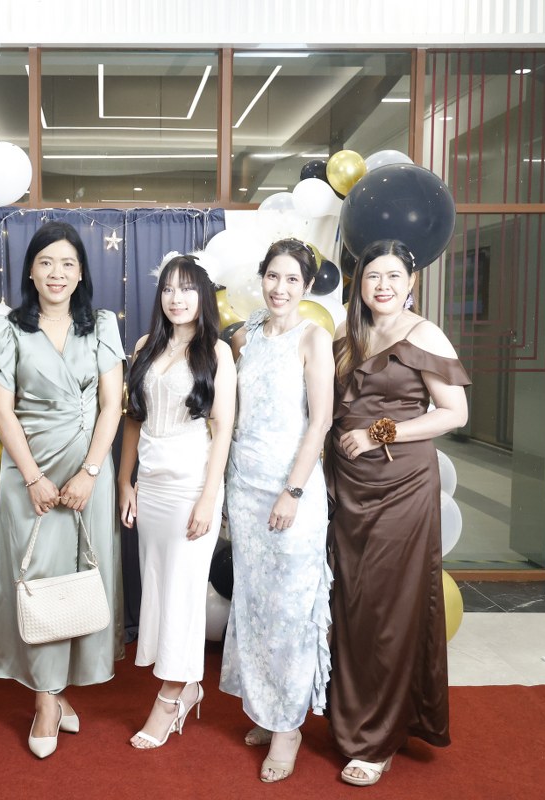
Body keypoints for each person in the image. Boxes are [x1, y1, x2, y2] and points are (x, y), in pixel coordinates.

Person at [326, 239, 469, 788]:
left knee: (389, 607)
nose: (382, 285)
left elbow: (454, 413)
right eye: (372, 276)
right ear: (359, 283)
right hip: (348, 486)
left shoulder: (424, 334)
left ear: (411, 281)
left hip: (402, 485)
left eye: (392, 276)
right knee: (353, 604)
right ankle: (354, 715)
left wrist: (380, 432)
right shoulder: (348, 336)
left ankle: (377, 739)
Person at [0, 221, 125, 759]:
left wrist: (91, 471)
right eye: (46, 263)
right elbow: (2, 409)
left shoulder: (101, 324)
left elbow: (112, 404)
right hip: (31, 471)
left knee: (81, 577)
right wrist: (33, 477)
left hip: (90, 471)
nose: (56, 273)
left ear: (81, 272)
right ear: (30, 271)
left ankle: (60, 692)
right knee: (36, 579)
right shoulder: (7, 329)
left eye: (67, 263)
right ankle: (44, 699)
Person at [218, 238, 334, 783]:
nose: (280, 288)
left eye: (292, 280)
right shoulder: (246, 336)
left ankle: (289, 727)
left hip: (293, 491)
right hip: (245, 488)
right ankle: (266, 710)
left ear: (306, 287)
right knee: (256, 606)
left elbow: (320, 421)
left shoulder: (313, 338)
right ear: (261, 278)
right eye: (273, 276)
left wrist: (293, 491)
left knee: (290, 610)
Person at [118, 254, 235, 749]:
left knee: (184, 591)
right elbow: (134, 419)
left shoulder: (217, 352)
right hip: (152, 485)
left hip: (192, 484)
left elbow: (222, 428)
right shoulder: (145, 346)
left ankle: (170, 697)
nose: (176, 298)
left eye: (187, 288)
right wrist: (125, 482)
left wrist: (209, 498)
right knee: (159, 587)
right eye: (168, 288)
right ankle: (187, 686)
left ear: (203, 294)